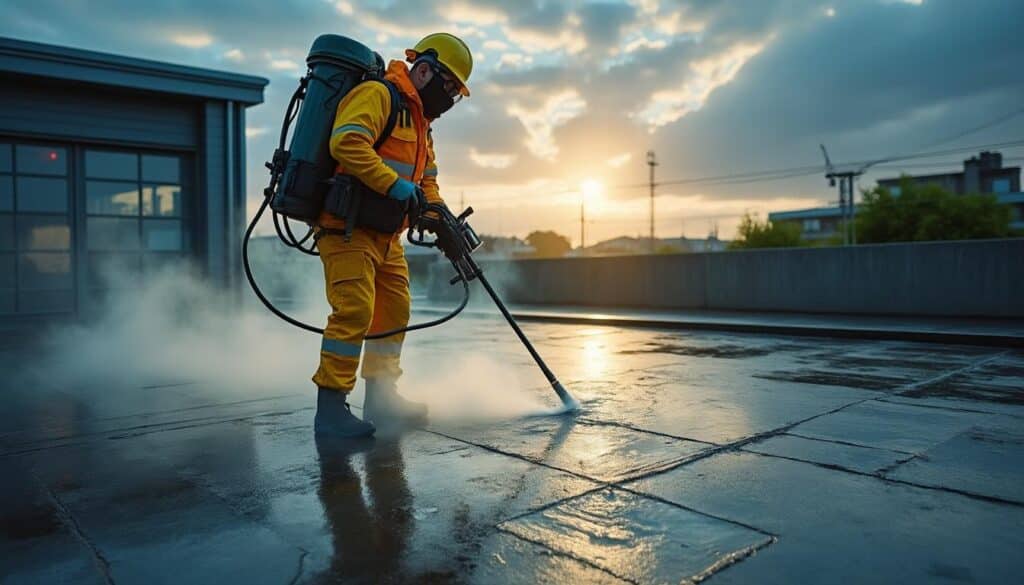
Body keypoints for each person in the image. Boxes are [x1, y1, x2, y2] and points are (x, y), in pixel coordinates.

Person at [312, 33, 473, 438]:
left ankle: (382, 397)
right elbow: (347, 140)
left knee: (395, 311)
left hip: (387, 236)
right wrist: (393, 185)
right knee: (354, 311)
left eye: (456, 92)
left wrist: (438, 214)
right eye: (448, 86)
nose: (450, 98)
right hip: (346, 228)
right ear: (423, 70)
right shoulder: (379, 95)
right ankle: (330, 410)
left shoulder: (422, 127)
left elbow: (427, 180)